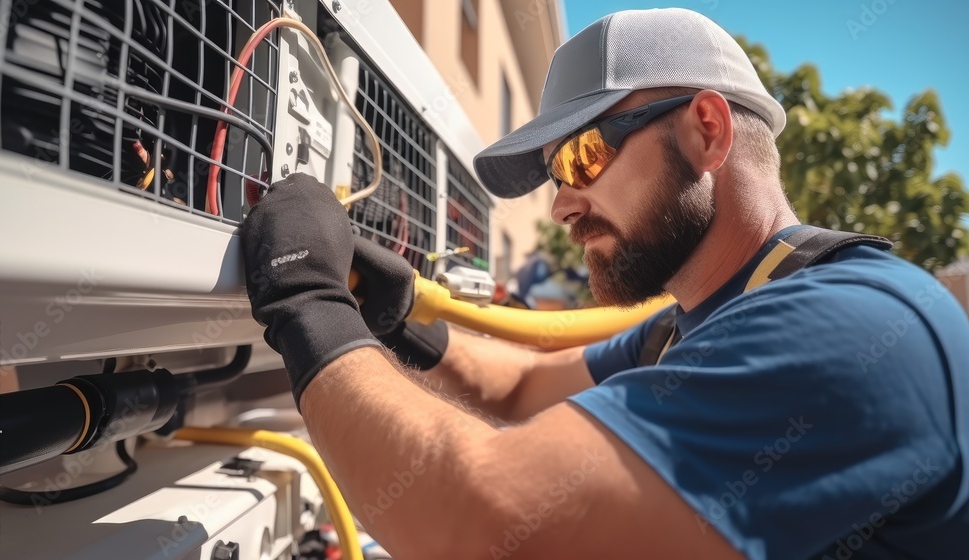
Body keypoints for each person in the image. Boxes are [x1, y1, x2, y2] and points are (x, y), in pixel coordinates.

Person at [239, 8, 969, 560]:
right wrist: (394, 319)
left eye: (585, 156)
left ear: (707, 131)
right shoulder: (697, 323)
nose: (560, 204)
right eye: (556, 175)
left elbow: (486, 520)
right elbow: (520, 385)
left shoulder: (854, 324)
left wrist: (307, 303)